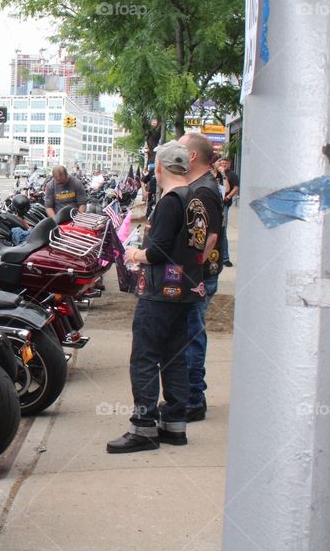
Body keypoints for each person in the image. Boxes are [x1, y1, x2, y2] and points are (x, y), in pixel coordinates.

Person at [107, 140, 208, 453]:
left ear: (160, 167)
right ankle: (174, 424)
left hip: (160, 293)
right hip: (187, 292)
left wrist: (136, 253)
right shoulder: (195, 198)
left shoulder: (169, 202)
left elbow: (159, 249)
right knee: (174, 357)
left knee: (145, 358)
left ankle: (144, 427)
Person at [178, 133, 224, 422]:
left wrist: (191, 271)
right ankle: (191, 395)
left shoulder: (204, 189)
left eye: (180, 148)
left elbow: (210, 236)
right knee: (187, 335)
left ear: (192, 156)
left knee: (191, 336)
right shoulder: (198, 185)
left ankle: (194, 399)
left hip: (199, 277)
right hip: (198, 275)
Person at [218, 158, 239, 267]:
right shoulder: (213, 174)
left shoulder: (231, 175)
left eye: (225, 163)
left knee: (223, 231)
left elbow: (231, 188)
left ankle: (225, 258)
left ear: (229, 164)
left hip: (224, 204)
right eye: (221, 163)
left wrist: (229, 196)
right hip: (214, 203)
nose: (223, 165)